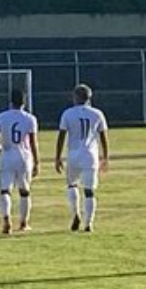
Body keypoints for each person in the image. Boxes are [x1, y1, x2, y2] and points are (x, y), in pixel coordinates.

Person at [55, 84, 110, 232]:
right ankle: (89, 223)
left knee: (72, 185)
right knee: (89, 191)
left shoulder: (68, 113)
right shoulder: (97, 114)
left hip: (73, 154)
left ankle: (75, 214)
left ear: (76, 97)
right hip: (90, 155)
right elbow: (103, 137)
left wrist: (58, 157)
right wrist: (105, 156)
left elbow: (61, 136)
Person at [0, 88, 40, 234]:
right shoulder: (30, 118)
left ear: (10, 101)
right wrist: (37, 162)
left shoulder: (1, 117)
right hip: (24, 157)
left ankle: (6, 218)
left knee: (5, 190)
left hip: (7, 156)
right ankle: (24, 223)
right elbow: (33, 143)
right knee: (24, 191)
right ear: (24, 103)